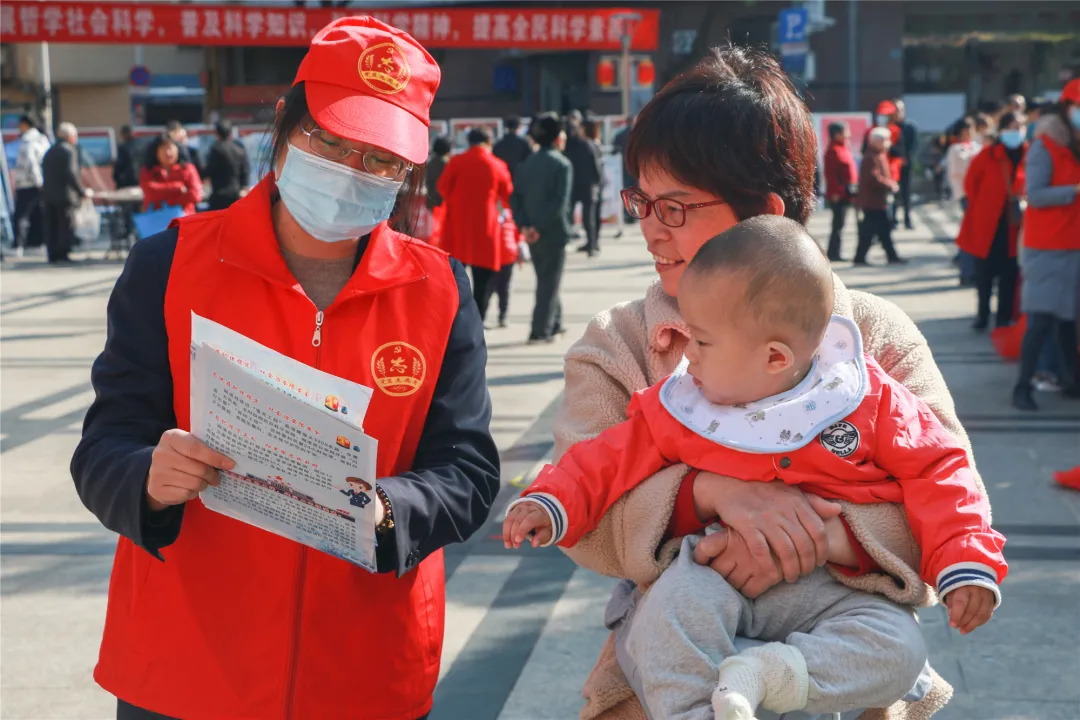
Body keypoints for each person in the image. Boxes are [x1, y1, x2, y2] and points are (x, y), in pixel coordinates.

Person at [71, 17, 500, 719]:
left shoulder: (441, 290)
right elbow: (105, 446)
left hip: (365, 670)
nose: (351, 172)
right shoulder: (170, 266)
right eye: (329, 141)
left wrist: (390, 511)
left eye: (380, 160)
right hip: (186, 668)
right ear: (283, 122)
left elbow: (469, 471)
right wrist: (148, 474)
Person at [551, 46, 977, 720]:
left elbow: (947, 496)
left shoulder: (874, 335)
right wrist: (715, 496)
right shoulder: (619, 343)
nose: (651, 233)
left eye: (676, 208)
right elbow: (584, 522)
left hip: (843, 681)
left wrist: (812, 541)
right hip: (662, 687)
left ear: (765, 212)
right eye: (643, 203)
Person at [505, 217, 1004, 719]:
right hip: (715, 576)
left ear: (773, 357)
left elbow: (941, 469)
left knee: (900, 649)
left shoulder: (864, 395)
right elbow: (608, 455)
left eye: (701, 342)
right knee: (669, 613)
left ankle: (769, 675)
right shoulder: (687, 403)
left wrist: (964, 559)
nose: (688, 357)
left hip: (839, 593)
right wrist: (552, 499)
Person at [1012, 78, 1080, 411]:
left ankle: (1071, 382)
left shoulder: (1072, 144)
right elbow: (1035, 195)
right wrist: (1075, 191)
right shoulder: (1045, 145)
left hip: (1071, 244)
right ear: (1068, 108)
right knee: (1040, 321)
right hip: (1048, 247)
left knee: (1068, 321)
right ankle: (1022, 387)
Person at [956, 111, 1027, 332]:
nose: (1016, 132)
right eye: (1012, 127)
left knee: (1009, 274)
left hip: (1015, 225)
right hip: (988, 224)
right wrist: (982, 207)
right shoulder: (988, 155)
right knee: (984, 275)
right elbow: (971, 185)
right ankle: (982, 316)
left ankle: (1003, 318)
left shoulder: (1030, 154)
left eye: (1020, 127)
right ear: (1003, 130)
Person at [437, 127, 513, 318]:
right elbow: (507, 195)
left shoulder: (456, 162)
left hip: (458, 226)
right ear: (489, 142)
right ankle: (479, 316)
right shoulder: (496, 164)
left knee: (456, 278)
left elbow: (443, 188)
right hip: (486, 226)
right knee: (483, 280)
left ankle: (458, 316)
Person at [511, 114, 573, 344]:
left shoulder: (526, 164)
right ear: (557, 137)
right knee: (549, 281)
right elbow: (560, 202)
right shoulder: (562, 164)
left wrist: (526, 226)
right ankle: (540, 330)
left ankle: (555, 323)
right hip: (553, 231)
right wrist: (537, 226)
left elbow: (515, 197)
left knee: (547, 278)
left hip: (531, 232)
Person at [40, 122, 89, 264]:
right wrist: (81, 191)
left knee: (52, 226)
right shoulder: (69, 151)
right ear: (70, 136)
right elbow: (71, 173)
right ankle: (63, 254)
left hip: (49, 195)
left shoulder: (50, 150)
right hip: (65, 195)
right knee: (65, 226)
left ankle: (52, 254)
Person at [854, 127, 904, 265]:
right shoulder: (871, 157)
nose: (888, 143)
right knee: (871, 231)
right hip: (872, 201)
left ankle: (890, 256)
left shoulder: (878, 154)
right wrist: (889, 184)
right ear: (876, 141)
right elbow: (873, 178)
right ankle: (861, 257)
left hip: (877, 201)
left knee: (882, 230)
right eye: (885, 140)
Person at [563, 116, 604, 257]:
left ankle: (568, 240)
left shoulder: (567, 147)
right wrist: (599, 181)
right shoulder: (588, 144)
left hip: (574, 184)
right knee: (589, 218)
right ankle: (592, 245)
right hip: (589, 185)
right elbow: (595, 165)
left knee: (569, 214)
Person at [11, 113, 50, 256]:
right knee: (37, 214)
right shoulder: (42, 139)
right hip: (40, 183)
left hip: (27, 183)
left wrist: (37, 181)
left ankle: (18, 246)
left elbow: (30, 163)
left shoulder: (27, 140)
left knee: (21, 215)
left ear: (25, 124)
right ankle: (38, 244)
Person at [139, 134, 203, 215]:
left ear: (177, 149)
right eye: (163, 149)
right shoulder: (148, 170)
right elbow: (150, 191)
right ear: (156, 152)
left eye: (170, 148)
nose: (168, 152)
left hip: (184, 217)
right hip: (157, 219)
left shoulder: (187, 168)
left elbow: (195, 195)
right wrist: (177, 187)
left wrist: (169, 201)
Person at [822, 121, 857, 261]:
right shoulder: (832, 151)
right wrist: (837, 192)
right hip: (839, 193)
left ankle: (835, 252)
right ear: (837, 134)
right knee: (837, 224)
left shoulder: (843, 148)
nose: (848, 134)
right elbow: (830, 174)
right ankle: (833, 253)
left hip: (846, 191)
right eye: (845, 131)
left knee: (840, 224)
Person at [204, 120, 250, 211]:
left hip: (219, 195)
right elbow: (245, 170)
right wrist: (244, 187)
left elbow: (210, 169)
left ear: (217, 133)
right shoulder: (239, 147)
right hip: (237, 193)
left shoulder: (216, 148)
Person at [890, 99, 918, 230]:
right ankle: (893, 219)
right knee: (894, 192)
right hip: (893, 164)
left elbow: (914, 145)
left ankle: (907, 219)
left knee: (907, 193)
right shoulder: (889, 126)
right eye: (896, 109)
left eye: (900, 109)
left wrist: (906, 158)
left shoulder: (910, 127)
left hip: (906, 164)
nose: (898, 112)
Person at [113, 125, 140, 191]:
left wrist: (117, 178)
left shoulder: (123, 147)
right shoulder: (139, 145)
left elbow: (119, 164)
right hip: (138, 179)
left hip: (126, 181)